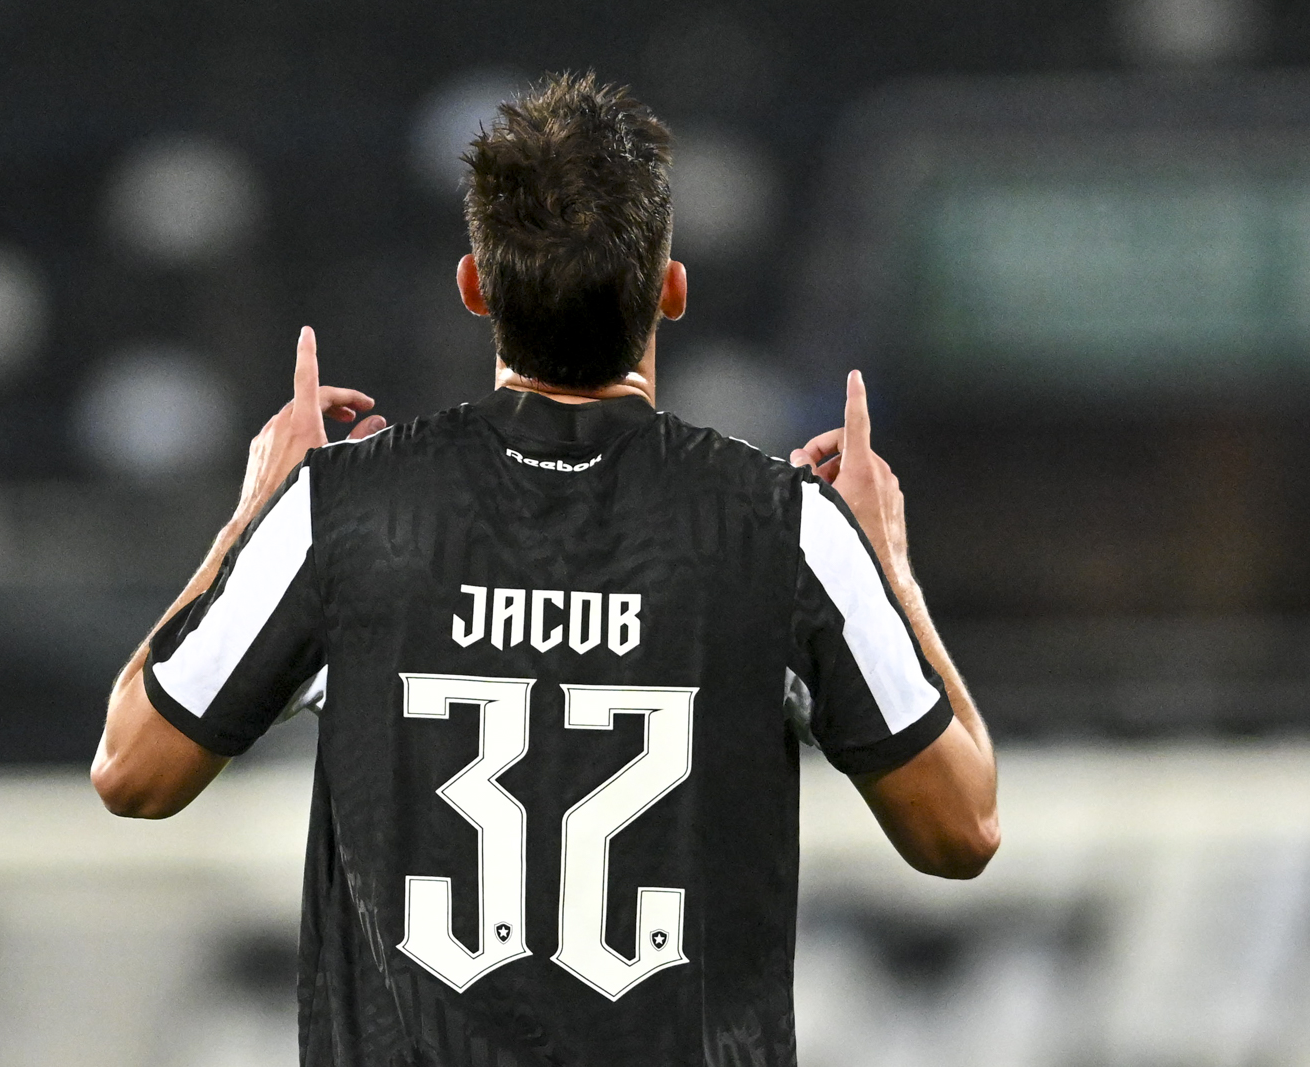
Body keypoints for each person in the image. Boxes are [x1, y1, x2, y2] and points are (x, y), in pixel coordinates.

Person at [91, 72, 998, 1067]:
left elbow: (133, 770)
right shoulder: (784, 529)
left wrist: (248, 517)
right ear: (671, 288)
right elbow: (961, 827)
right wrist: (890, 571)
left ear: (475, 286)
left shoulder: (340, 511)